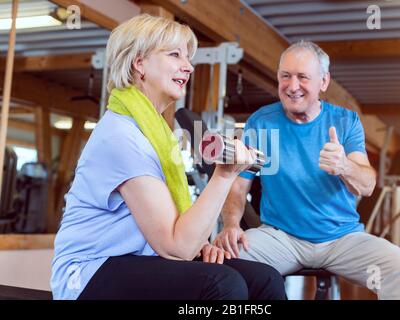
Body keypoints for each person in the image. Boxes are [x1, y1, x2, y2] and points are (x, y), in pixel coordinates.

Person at [50, 14, 286, 300]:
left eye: (187, 58)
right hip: (88, 273)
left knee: (263, 279)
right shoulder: (121, 137)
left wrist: (200, 244)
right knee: (221, 283)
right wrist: (225, 174)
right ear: (139, 64)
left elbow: (176, 230)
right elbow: (177, 246)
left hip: (141, 259)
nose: (188, 67)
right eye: (175, 55)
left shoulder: (157, 133)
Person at [214, 40, 400, 300]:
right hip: (281, 238)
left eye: (303, 77)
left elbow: (367, 185)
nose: (293, 87)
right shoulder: (261, 122)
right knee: (219, 263)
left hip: (342, 239)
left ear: (323, 82)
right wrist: (231, 224)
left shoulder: (345, 121)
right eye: (285, 76)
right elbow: (238, 183)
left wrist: (344, 166)